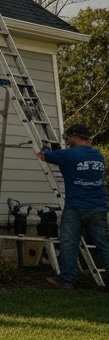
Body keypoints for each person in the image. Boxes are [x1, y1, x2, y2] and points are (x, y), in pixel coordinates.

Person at [38, 123, 108, 289]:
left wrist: (45, 147)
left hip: (76, 207)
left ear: (75, 136)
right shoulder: (99, 156)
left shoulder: (68, 155)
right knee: (104, 246)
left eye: (68, 138)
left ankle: (67, 280)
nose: (67, 141)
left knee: (69, 243)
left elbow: (43, 155)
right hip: (99, 206)